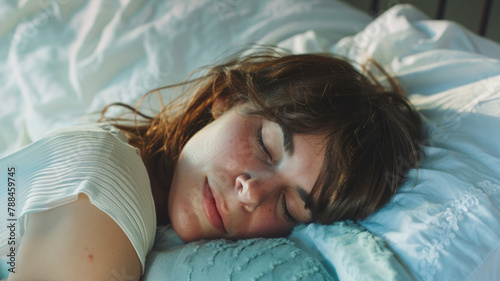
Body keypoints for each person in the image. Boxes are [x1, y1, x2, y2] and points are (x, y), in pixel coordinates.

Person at [1, 50, 421, 280]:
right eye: (266, 145)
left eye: (289, 207)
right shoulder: (112, 176)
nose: (253, 191)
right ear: (224, 100)